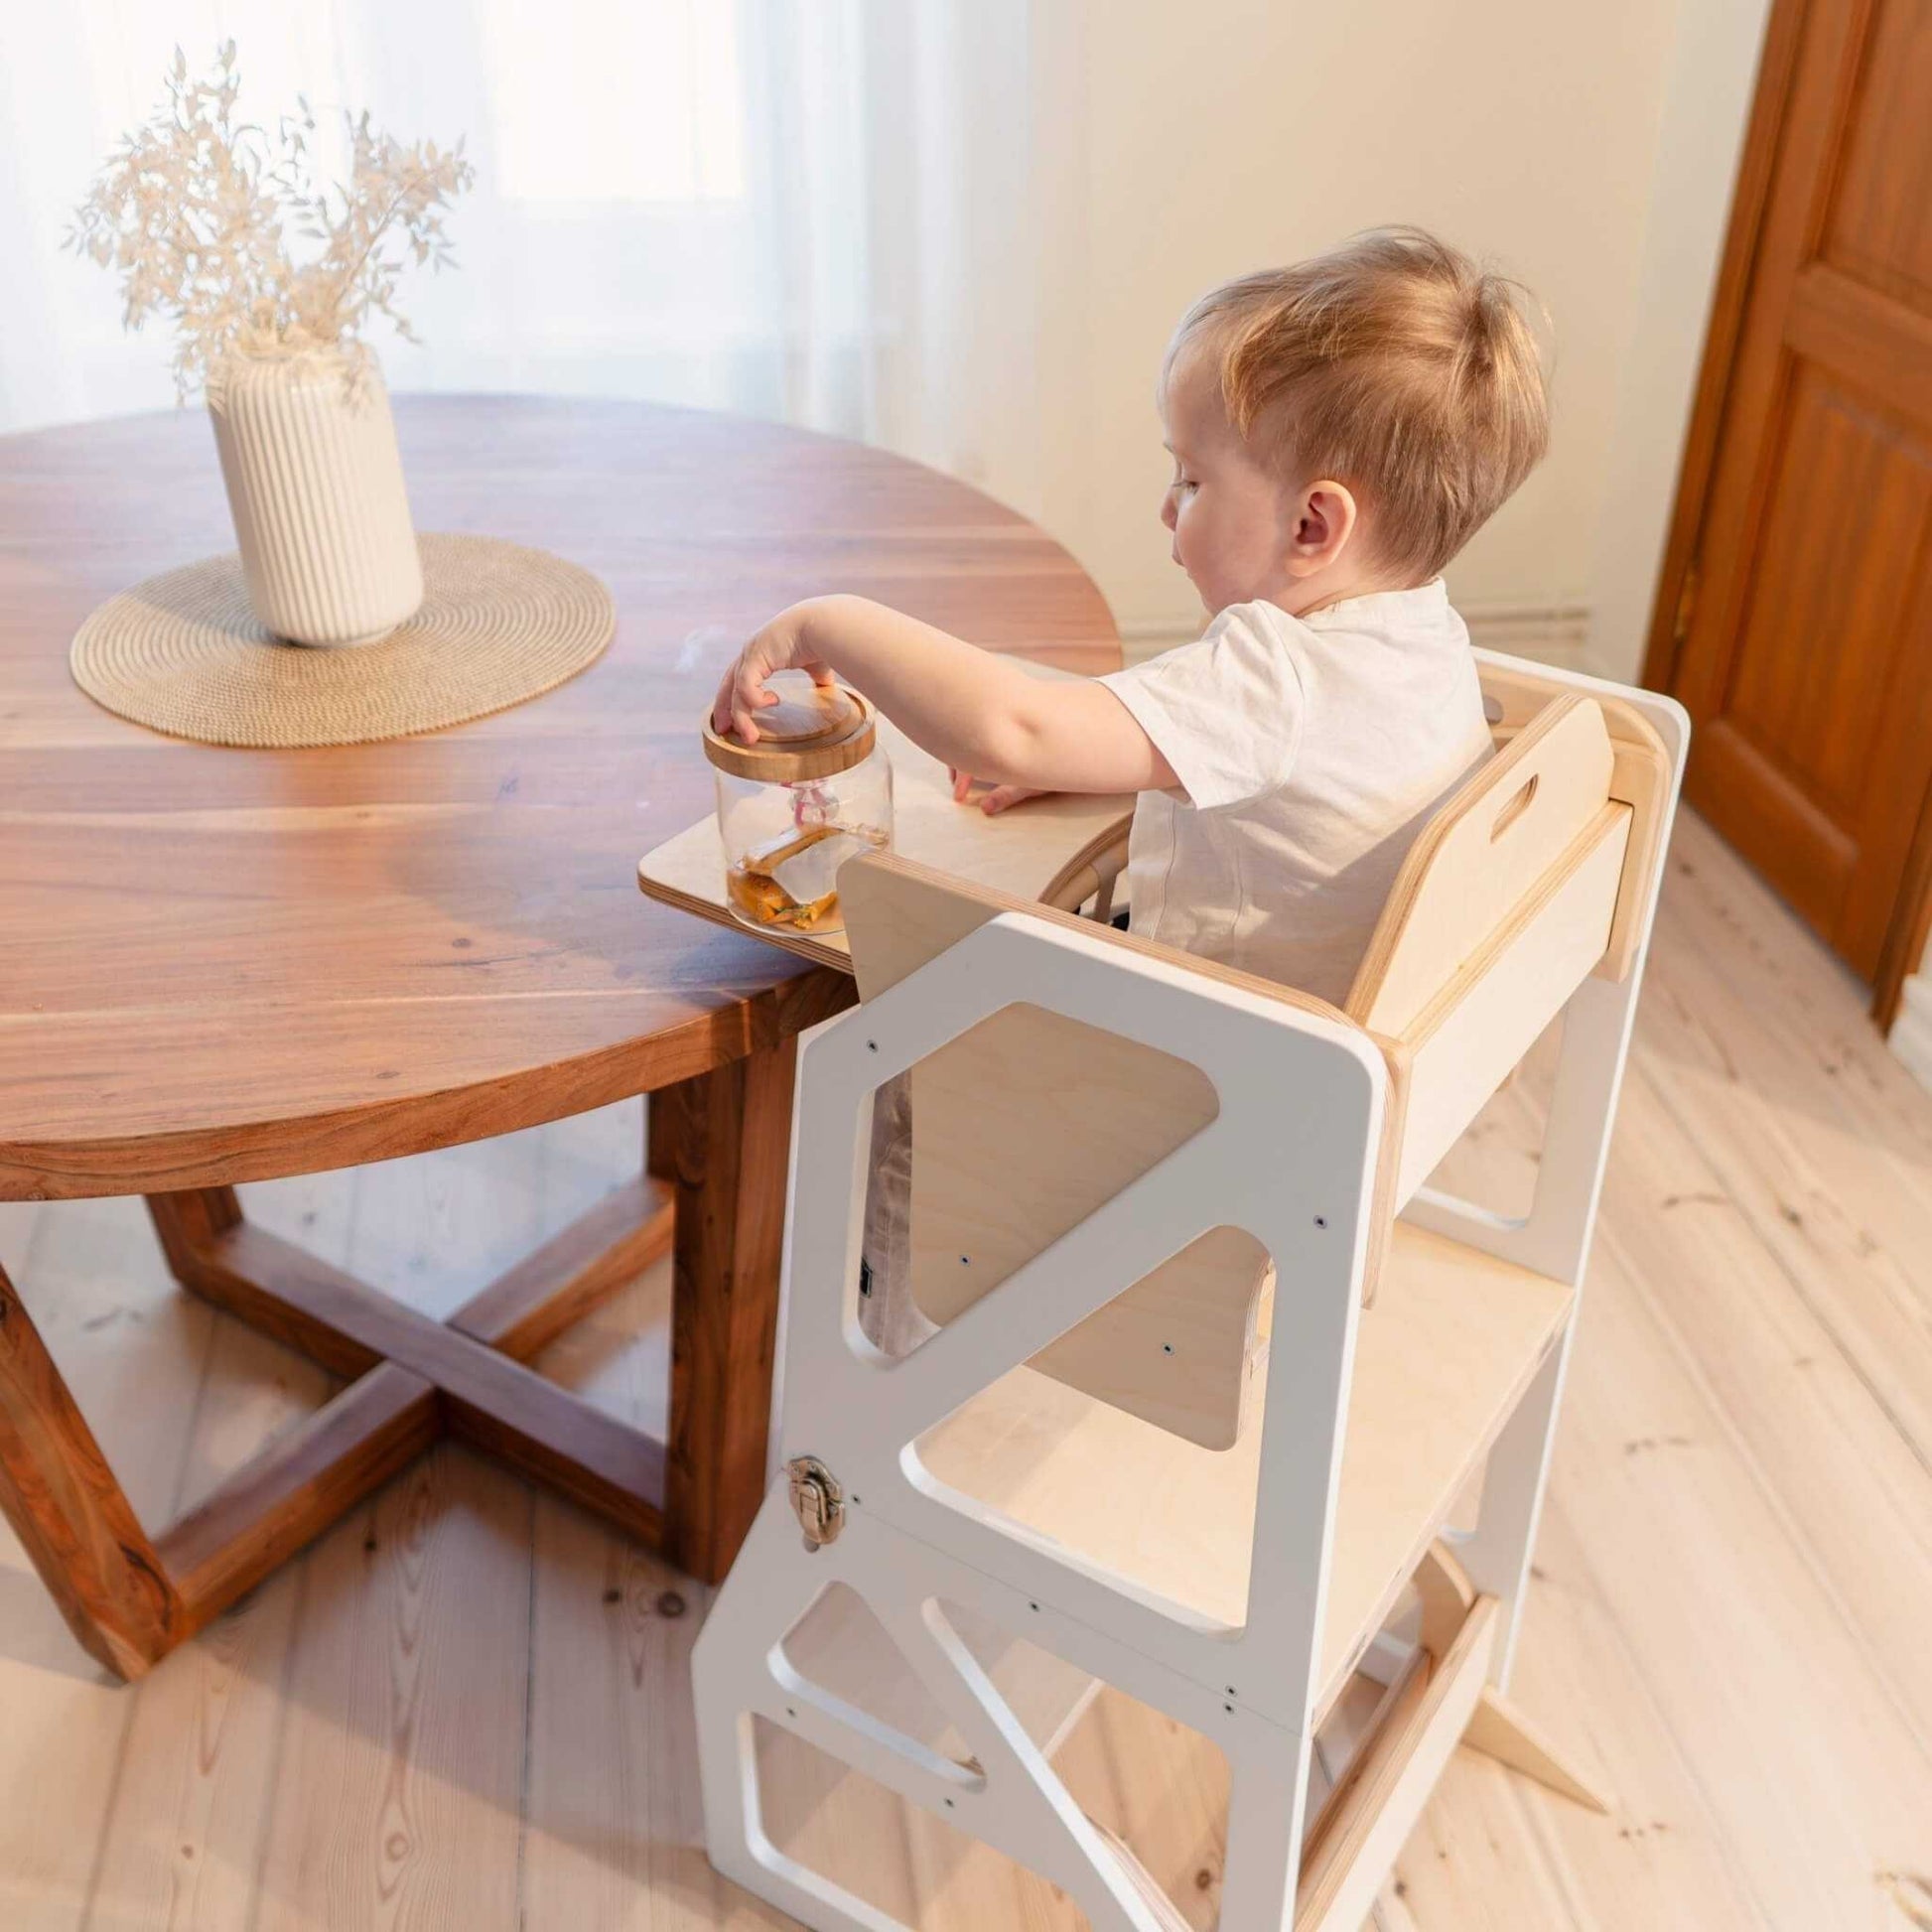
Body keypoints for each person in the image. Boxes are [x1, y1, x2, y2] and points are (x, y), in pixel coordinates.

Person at [711, 226, 1550, 1354]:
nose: (1167, 507)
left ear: (1314, 523)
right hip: (1312, 1098)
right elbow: (1262, 785)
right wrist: (1091, 767)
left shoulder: (1274, 667)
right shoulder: (1420, 635)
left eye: (1192, 478)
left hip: (1202, 1110)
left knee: (899, 1056)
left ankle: (889, 1363)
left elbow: (1016, 723)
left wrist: (831, 623)